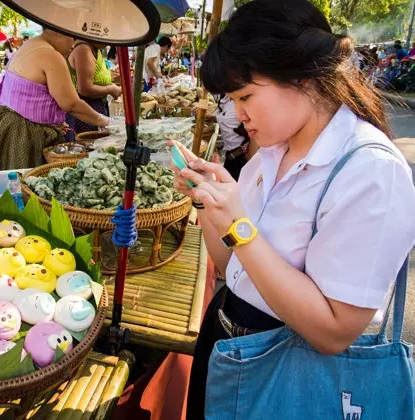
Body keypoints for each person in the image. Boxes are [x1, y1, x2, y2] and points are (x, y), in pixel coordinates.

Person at [175, 1, 415, 418]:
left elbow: (334, 331)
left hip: (287, 371)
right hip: (228, 344)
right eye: (232, 99)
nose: (238, 114)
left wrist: (240, 225)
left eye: (245, 95)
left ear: (301, 75)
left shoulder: (371, 171)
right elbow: (232, 266)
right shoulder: (268, 154)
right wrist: (212, 206)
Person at [0, 28, 110, 170]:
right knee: (28, 181)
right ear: (58, 32)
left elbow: (33, 95)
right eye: (72, 39)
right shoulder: (51, 55)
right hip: (23, 133)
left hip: (9, 124)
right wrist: (103, 120)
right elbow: (71, 104)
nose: (73, 45)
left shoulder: (31, 44)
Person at [65, 41, 121, 134]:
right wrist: (111, 89)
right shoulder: (83, 50)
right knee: (89, 145)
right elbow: (84, 89)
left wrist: (111, 85)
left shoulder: (94, 50)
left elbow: (95, 79)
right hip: (86, 113)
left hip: (95, 109)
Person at [206, 94, 254, 180]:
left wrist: (251, 161)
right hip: (230, 155)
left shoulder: (243, 98)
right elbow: (227, 118)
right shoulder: (225, 98)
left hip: (242, 157)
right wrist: (210, 117)